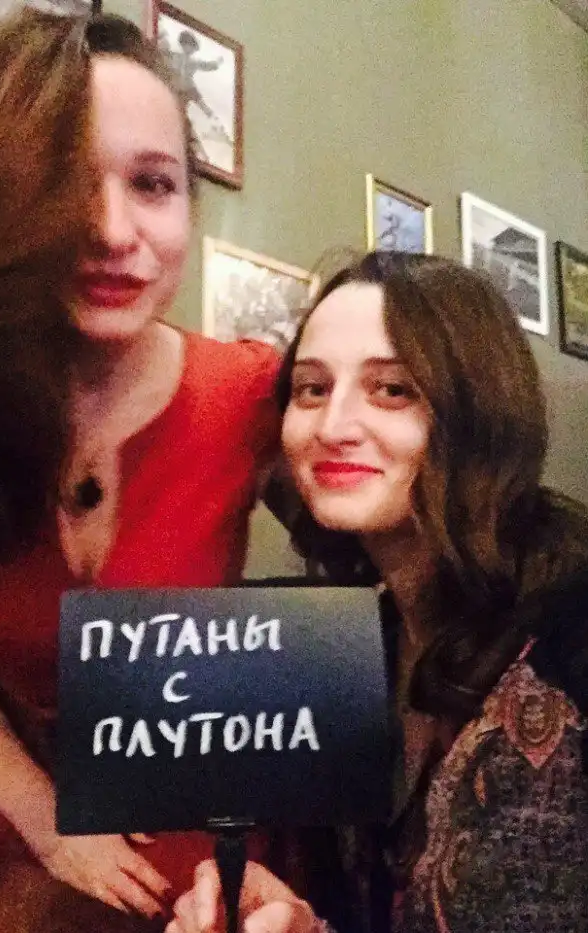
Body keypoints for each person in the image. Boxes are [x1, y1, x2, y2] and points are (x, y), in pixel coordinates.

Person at [0, 6, 282, 919]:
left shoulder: (249, 393)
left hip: (214, 860)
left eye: (153, 184)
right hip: (18, 846)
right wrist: (52, 827)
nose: (111, 229)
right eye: (65, 183)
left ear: (188, 204)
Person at [168, 251, 588, 933]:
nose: (333, 426)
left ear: (478, 413)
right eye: (310, 389)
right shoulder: (356, 639)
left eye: (391, 389)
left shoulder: (569, 632)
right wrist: (299, 922)